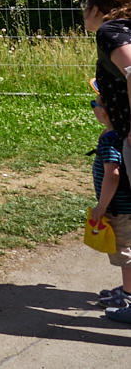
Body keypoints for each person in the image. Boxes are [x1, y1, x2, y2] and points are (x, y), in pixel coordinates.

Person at [89, 96, 131, 321]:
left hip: (119, 209)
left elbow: (112, 175)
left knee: (124, 254)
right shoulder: (124, 134)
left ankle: (127, 295)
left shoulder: (110, 140)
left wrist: (101, 206)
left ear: (104, 112)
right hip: (126, 207)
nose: (93, 108)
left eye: (94, 104)